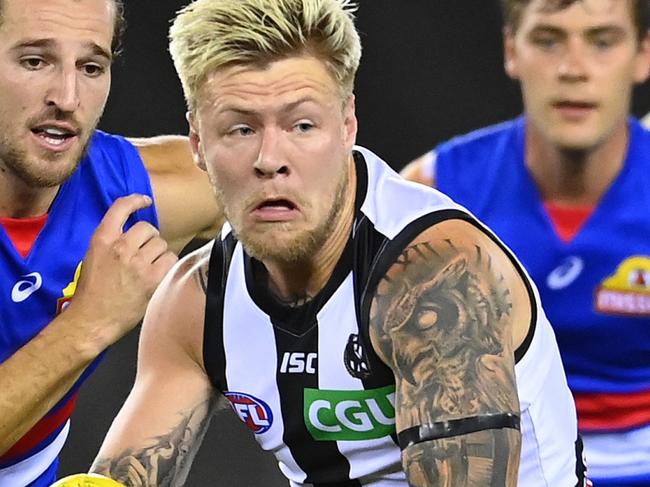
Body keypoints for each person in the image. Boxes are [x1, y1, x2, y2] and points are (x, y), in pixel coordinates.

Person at [57, 0, 585, 485]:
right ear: (197, 143)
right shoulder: (195, 303)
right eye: (240, 129)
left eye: (302, 125)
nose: (270, 159)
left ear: (348, 124)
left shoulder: (435, 275)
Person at [401, 0, 650, 485]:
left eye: (602, 41)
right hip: (509, 467)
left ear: (642, 55)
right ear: (511, 50)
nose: (573, 69)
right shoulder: (436, 195)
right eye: (548, 39)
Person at [0, 0, 222, 485]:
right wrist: (89, 323)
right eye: (35, 60)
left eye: (91, 66)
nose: (67, 96)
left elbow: (321, 186)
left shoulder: (130, 190)